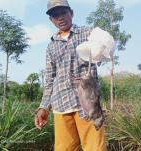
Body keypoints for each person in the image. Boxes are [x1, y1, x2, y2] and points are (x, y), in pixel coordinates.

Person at [34, 0, 107, 150]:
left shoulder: (88, 33)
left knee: (95, 148)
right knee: (63, 148)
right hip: (61, 104)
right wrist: (44, 107)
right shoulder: (51, 46)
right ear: (51, 20)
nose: (60, 18)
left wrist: (102, 46)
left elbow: (106, 45)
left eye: (63, 13)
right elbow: (50, 78)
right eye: (55, 15)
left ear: (71, 13)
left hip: (88, 105)